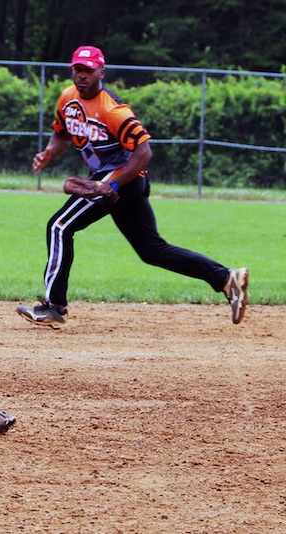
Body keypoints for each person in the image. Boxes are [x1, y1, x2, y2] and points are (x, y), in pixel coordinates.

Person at [16, 45, 249, 329]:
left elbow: (144, 153)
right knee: (152, 250)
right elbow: (62, 134)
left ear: (102, 72)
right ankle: (226, 278)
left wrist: (110, 184)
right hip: (117, 182)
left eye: (88, 70)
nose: (81, 75)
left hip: (121, 180)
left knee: (60, 227)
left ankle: (54, 305)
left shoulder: (113, 110)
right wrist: (49, 153)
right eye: (77, 69)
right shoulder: (67, 99)